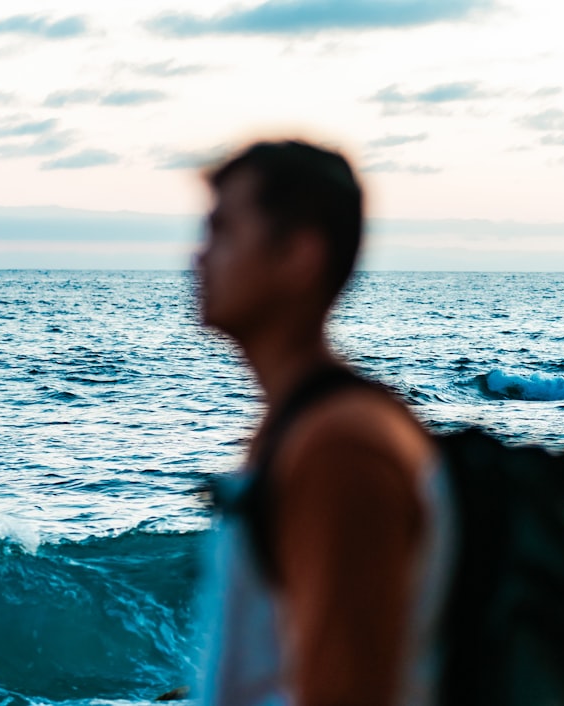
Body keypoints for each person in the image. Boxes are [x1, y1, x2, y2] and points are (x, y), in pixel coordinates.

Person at [193, 140, 453, 706]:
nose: (199, 256)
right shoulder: (297, 426)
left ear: (299, 256)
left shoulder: (341, 447)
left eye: (223, 232)